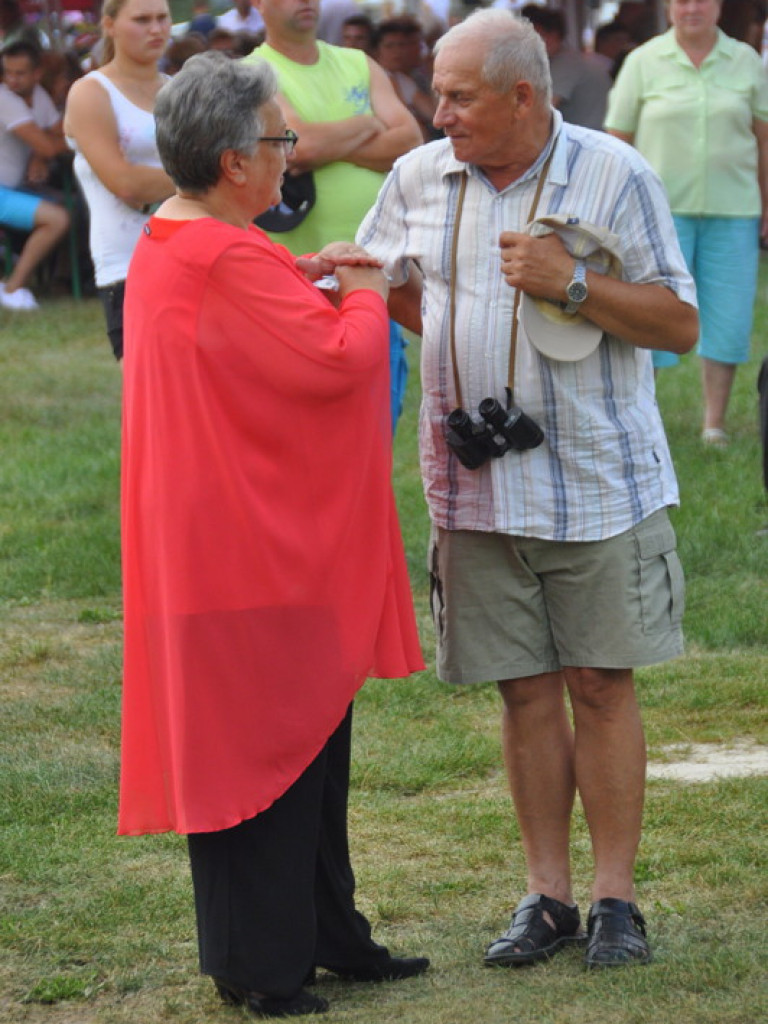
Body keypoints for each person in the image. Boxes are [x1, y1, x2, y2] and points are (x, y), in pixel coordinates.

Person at [358, 9, 698, 970]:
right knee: (522, 692)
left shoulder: (614, 173)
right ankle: (547, 896)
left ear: (523, 94)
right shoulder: (420, 174)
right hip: (475, 487)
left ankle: (616, 901)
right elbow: (385, 274)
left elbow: (678, 322)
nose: (439, 111)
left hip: (595, 480)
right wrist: (463, 345)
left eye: (459, 96)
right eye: (438, 92)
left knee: (599, 681)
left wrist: (573, 286)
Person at [120, 51, 428, 1018]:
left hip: (213, 542)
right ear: (229, 160)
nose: (291, 155)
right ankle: (262, 965)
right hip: (249, 551)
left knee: (304, 750)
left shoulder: (173, 238)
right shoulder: (225, 255)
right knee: (269, 757)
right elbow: (338, 367)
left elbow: (245, 334)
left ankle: (326, 933)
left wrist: (299, 275)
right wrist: (369, 288)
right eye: (279, 140)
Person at [248, 0, 423, 431]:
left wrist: (323, 144)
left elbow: (410, 139)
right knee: (309, 433)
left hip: (378, 276)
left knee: (379, 423)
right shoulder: (253, 73)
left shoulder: (357, 62)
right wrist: (366, 122)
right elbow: (296, 146)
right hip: (302, 281)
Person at [605, 0, 768, 447]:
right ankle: (645, 416)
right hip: (657, 215)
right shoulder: (642, 61)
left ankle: (713, 423)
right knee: (649, 313)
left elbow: (764, 139)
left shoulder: (747, 61)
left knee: (729, 317)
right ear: (668, 8)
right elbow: (617, 140)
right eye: (681, 0)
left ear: (719, 7)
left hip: (734, 209)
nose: (691, 7)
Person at [64, 0, 175, 361]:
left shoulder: (179, 90)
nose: (156, 29)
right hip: (128, 264)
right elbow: (125, 184)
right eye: (142, 20)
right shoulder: (90, 92)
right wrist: (204, 176)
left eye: (162, 18)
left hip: (191, 254)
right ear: (109, 25)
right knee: (148, 400)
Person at [0, 40, 70, 310]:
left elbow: (57, 131)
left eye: (19, 74)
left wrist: (38, 155)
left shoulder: (38, 96)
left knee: (68, 206)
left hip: (10, 189)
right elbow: (52, 143)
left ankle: (57, 280)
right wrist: (44, 151)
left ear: (37, 74)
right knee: (57, 219)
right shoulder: (5, 99)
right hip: (4, 190)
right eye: (7, 72)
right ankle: (12, 288)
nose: (12, 80)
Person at [521, 4, 612, 131]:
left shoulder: (567, 64)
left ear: (552, 35)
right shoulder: (568, 60)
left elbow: (540, 112)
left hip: (587, 141)